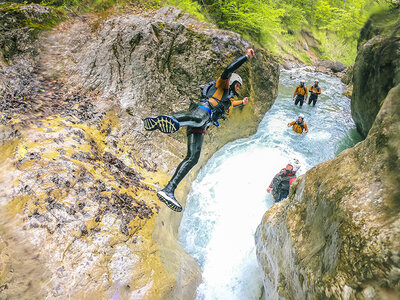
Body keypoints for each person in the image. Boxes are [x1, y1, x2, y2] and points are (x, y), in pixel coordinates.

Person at [143, 48, 256, 212]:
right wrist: (245, 57)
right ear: (233, 83)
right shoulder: (222, 85)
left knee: (193, 158)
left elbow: (232, 105)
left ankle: (168, 190)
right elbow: (228, 70)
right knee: (198, 118)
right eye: (238, 85)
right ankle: (169, 119)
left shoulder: (229, 100)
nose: (239, 88)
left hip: (203, 124)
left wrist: (243, 103)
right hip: (202, 111)